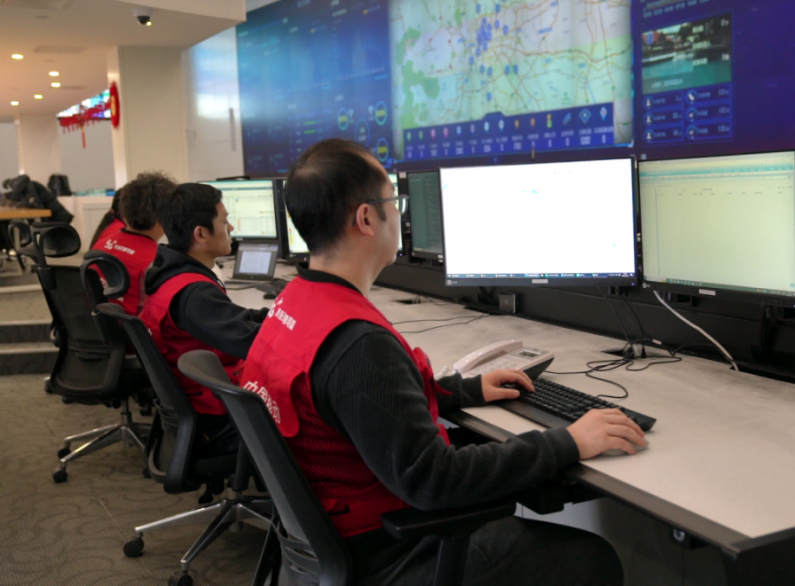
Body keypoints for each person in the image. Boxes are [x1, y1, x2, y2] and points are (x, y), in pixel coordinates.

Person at [241, 139, 643, 585]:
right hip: (388, 554)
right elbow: (433, 480)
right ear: (366, 218)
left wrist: (464, 391)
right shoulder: (358, 344)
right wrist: (567, 441)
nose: (400, 214)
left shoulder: (295, 304)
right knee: (590, 559)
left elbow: (359, 406)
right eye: (394, 202)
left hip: (324, 547)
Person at [140, 183, 268, 453]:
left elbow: (235, 320)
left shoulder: (171, 276)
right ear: (200, 234)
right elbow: (253, 342)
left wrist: (282, 315)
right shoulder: (195, 294)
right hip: (218, 415)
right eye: (224, 221)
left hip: (197, 402)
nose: (231, 227)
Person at [93, 172, 175, 316]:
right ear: (165, 216)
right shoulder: (157, 261)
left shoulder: (99, 246)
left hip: (101, 324)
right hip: (133, 328)